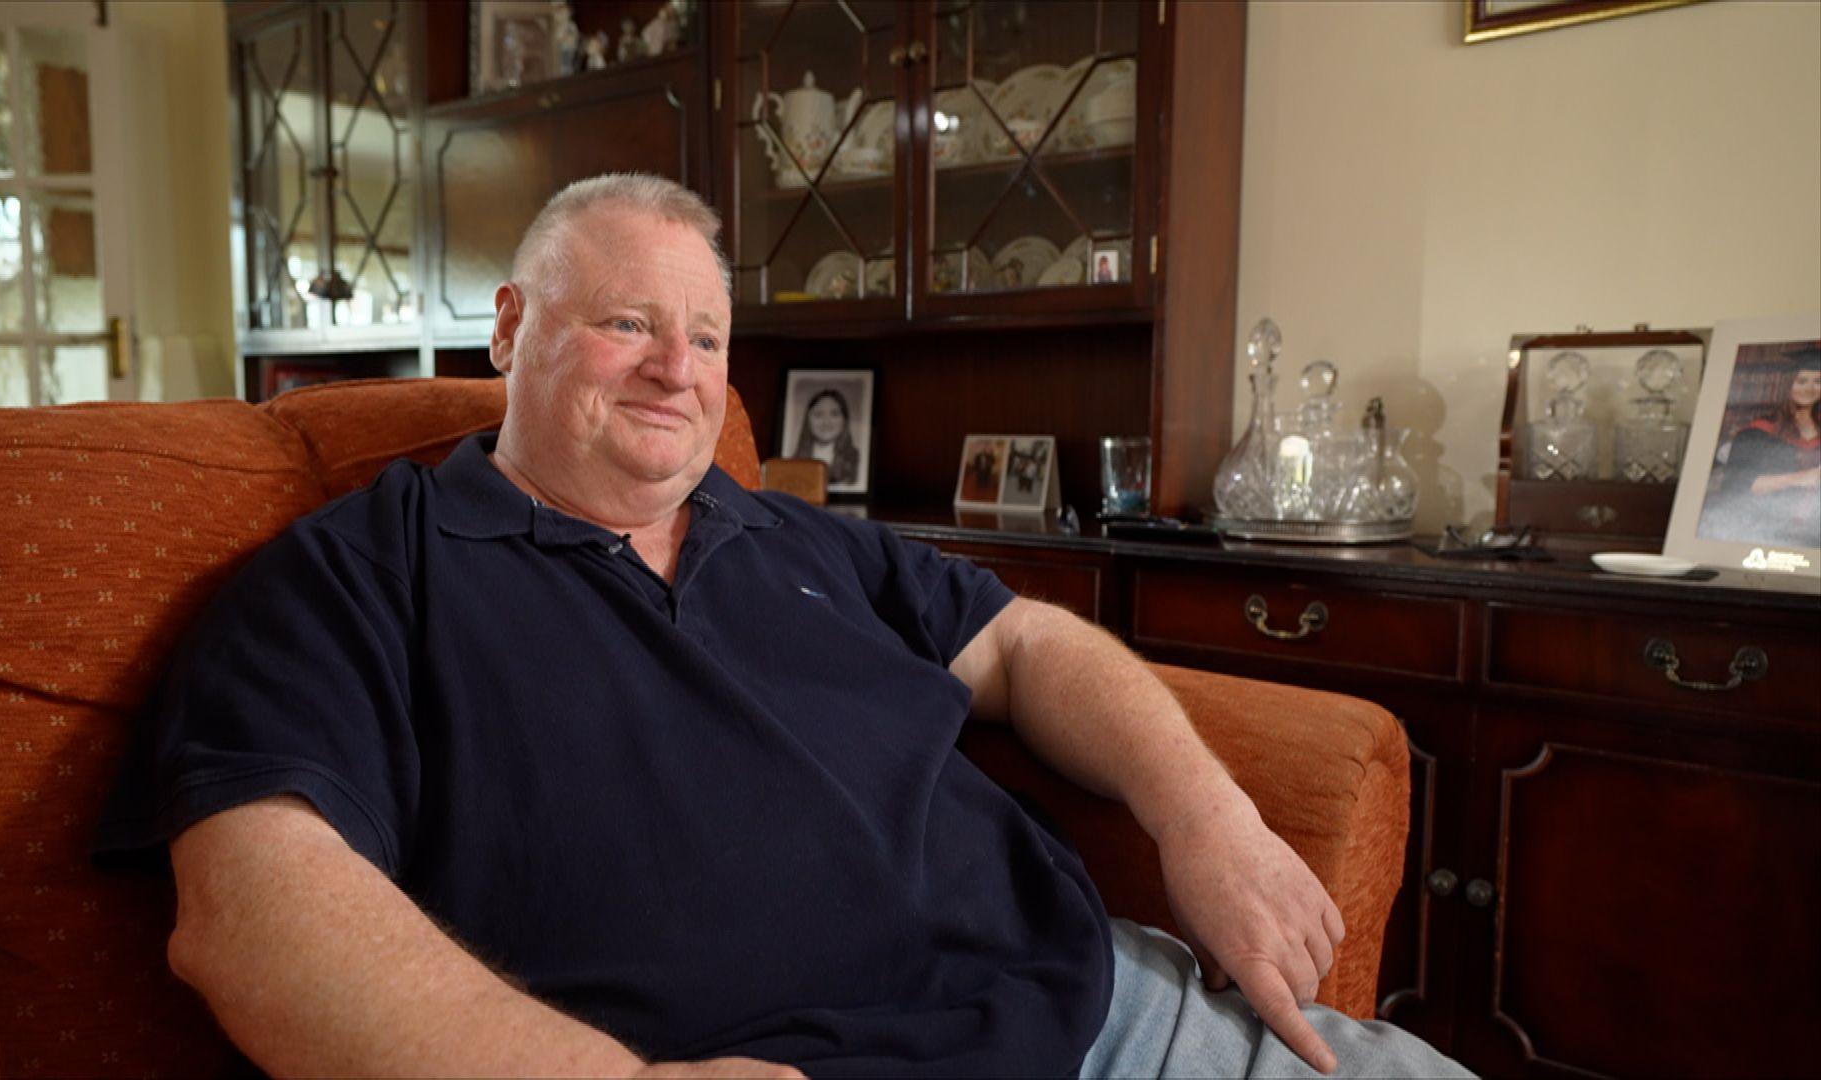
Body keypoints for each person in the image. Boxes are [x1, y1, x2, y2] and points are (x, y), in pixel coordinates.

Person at [95, 173, 1468, 1078]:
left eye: (704, 336)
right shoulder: (354, 578)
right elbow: (252, 916)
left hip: (1109, 1019)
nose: (675, 371)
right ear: (508, 329)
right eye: (627, 321)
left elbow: (1030, 646)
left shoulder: (790, 534)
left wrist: (1204, 815)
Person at [1705, 344, 1821, 547]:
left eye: (1818, 381)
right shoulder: (1759, 431)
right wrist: (1802, 478)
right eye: (1801, 381)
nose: (1810, 388)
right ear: (1788, 385)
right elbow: (1738, 486)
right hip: (1773, 532)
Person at [789, 387, 861, 486]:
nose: (826, 422)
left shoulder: (857, 460)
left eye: (834, 414)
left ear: (844, 420)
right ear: (807, 420)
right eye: (818, 415)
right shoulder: (792, 463)